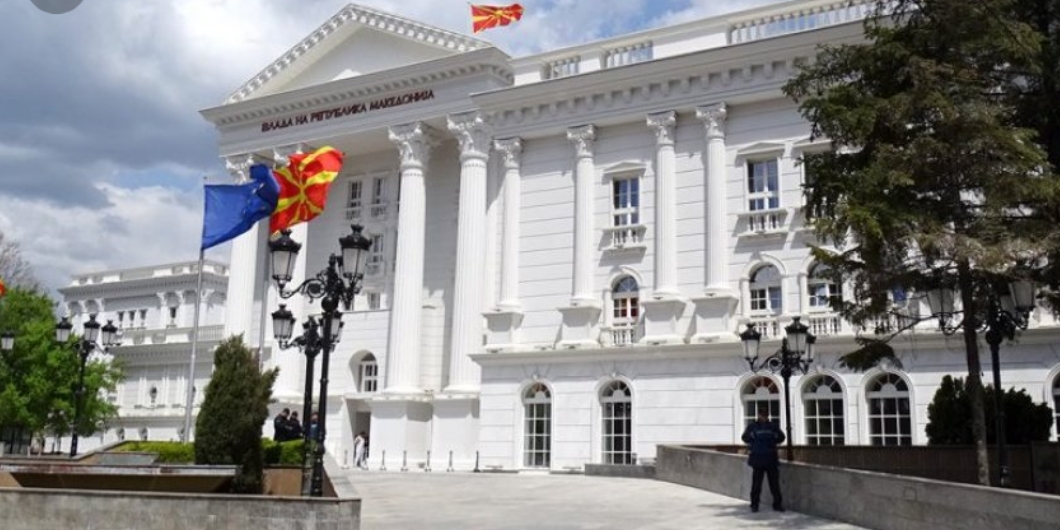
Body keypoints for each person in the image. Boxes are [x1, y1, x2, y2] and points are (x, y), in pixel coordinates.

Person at [741, 409, 785, 513]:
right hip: (758, 459)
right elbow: (745, 437)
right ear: (759, 415)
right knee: (756, 485)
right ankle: (754, 505)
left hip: (770, 459)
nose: (764, 417)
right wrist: (753, 443)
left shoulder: (772, 427)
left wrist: (772, 442)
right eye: (762, 415)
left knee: (774, 484)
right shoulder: (753, 427)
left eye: (765, 415)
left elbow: (781, 437)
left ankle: (777, 504)